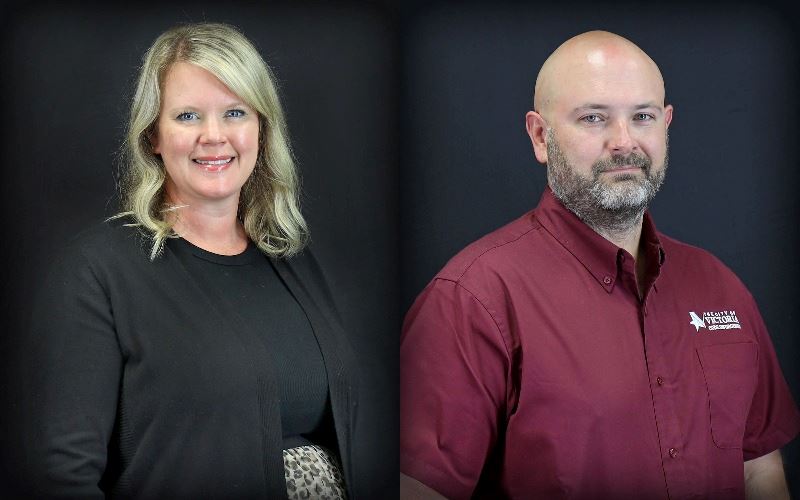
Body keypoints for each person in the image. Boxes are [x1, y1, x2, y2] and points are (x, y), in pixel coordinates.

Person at [400, 31, 800, 499]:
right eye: (594, 118)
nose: (623, 142)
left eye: (643, 117)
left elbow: (757, 469)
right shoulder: (472, 299)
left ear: (666, 124)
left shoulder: (720, 287)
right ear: (539, 136)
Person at [25, 23, 358, 499]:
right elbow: (63, 474)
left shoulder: (291, 256)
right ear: (153, 137)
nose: (214, 136)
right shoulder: (98, 272)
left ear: (260, 131)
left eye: (235, 112)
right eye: (187, 116)